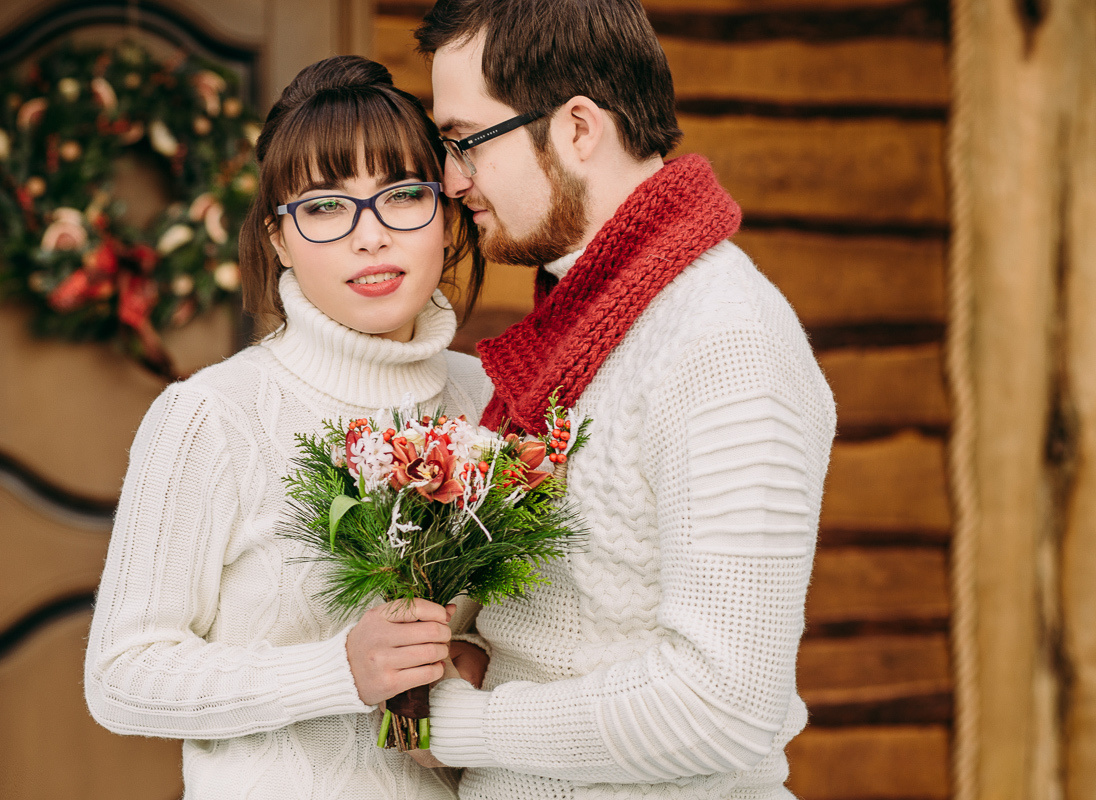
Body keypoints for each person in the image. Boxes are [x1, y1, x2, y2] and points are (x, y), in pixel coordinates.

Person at [410, 2, 837, 799]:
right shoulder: (576, 331)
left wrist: (464, 725)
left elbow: (725, 704)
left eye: (466, 140)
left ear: (577, 127)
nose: (452, 178)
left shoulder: (723, 341)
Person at [84, 55, 492, 800]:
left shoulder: (486, 400)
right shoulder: (212, 414)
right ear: (278, 239)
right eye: (325, 206)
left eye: (402, 195)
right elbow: (120, 676)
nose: (370, 236)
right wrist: (337, 671)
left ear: (447, 211)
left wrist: (471, 670)